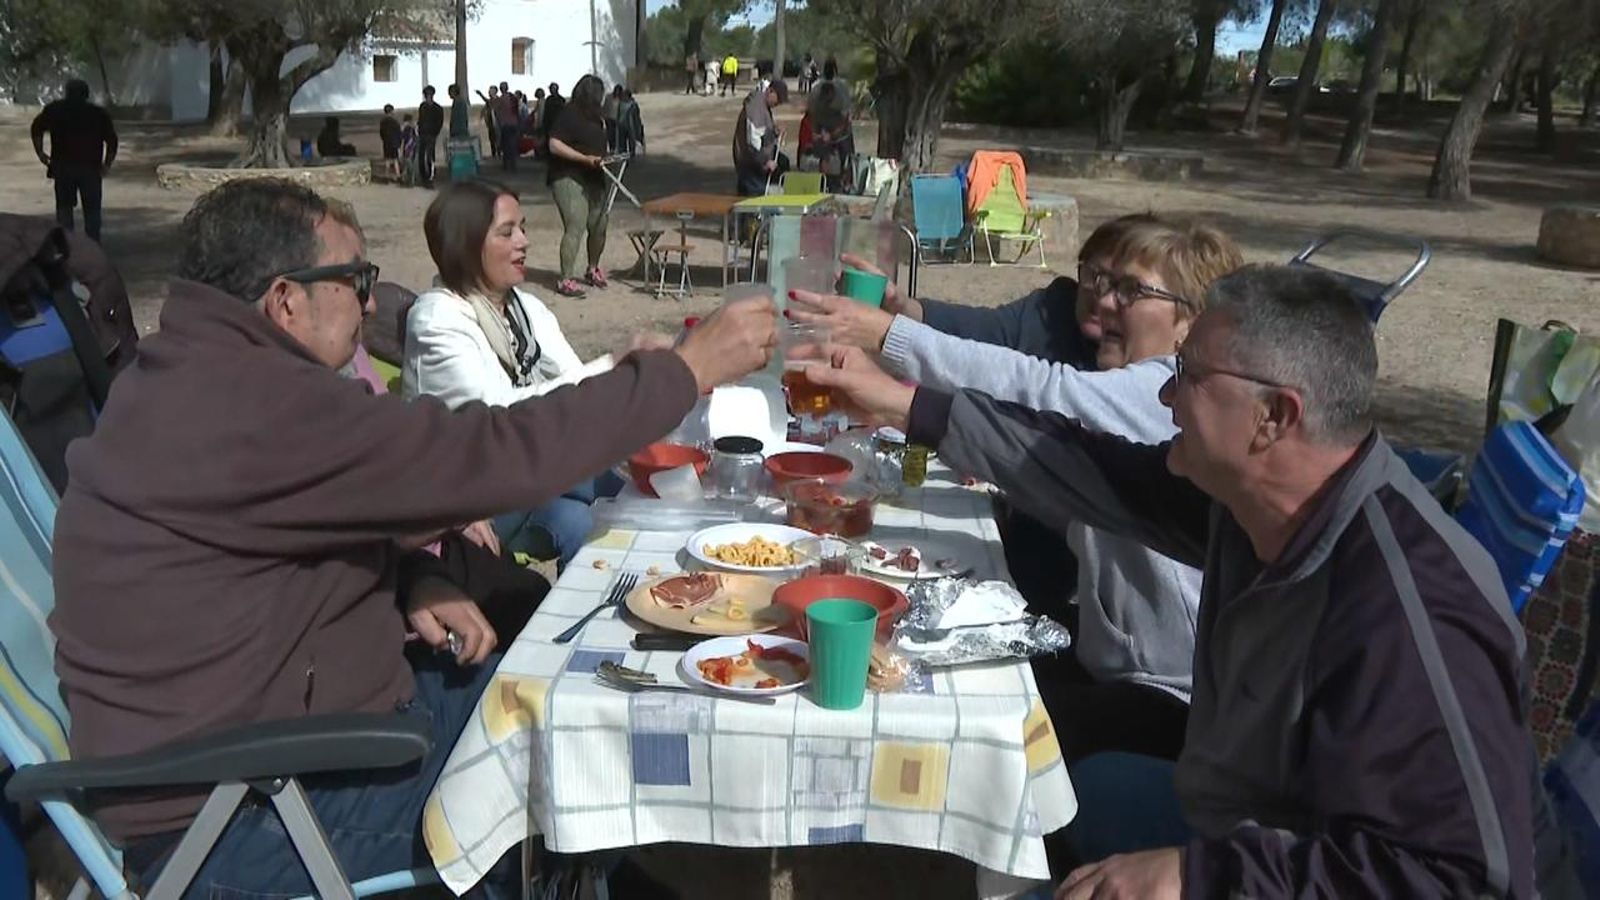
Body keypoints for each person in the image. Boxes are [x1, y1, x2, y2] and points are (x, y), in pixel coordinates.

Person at [47, 177, 778, 895]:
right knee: (560, 756)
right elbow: (489, 452)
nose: (371, 301)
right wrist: (683, 370)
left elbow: (258, 544)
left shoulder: (193, 374)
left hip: (260, 745)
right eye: (355, 278)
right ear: (286, 299)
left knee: (560, 685)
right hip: (240, 809)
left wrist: (407, 581)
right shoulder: (263, 408)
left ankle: (589, 864)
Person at [803, 265, 1535, 898]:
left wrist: (1197, 877)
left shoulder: (1407, 614)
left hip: (1282, 865)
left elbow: (1456, 880)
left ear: (1274, 417)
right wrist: (907, 405)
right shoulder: (1257, 499)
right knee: (1064, 782)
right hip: (1239, 819)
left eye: (1187, 378)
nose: (1164, 399)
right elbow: (1088, 469)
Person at [791, 217, 1243, 765]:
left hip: (1171, 696)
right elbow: (1062, 482)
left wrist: (889, 339)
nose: (1105, 302)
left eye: (1132, 291)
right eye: (1103, 282)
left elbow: (1041, 390)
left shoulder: (1157, 392)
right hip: (1116, 662)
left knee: (990, 731)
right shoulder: (1143, 386)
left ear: (1188, 325)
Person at [403, 180, 665, 565]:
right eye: (507, 232)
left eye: (522, 228)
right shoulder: (436, 319)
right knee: (610, 487)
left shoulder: (523, 307)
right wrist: (614, 364)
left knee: (602, 508)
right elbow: (499, 418)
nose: (524, 241)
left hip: (530, 477)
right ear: (467, 243)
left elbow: (577, 383)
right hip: (473, 499)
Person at [545, 75, 612, 298]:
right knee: (576, 224)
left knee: (600, 224)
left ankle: (593, 269)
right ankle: (565, 279)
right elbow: (554, 145)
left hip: (595, 177)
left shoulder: (598, 117)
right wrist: (583, 158)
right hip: (568, 176)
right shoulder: (569, 114)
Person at [30, 79, 117, 242]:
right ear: (87, 94)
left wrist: (40, 153)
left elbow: (36, 129)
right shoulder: (98, 113)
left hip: (63, 168)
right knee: (92, 212)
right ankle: (92, 247)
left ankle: (67, 247)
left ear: (66, 92)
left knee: (64, 210)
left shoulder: (54, 110)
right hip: (90, 168)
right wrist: (107, 164)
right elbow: (112, 141)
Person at [732, 78, 790, 197]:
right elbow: (753, 141)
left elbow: (762, 133)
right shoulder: (756, 108)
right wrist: (765, 161)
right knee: (754, 201)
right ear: (771, 92)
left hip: (754, 161)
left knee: (783, 162)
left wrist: (774, 131)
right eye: (778, 100)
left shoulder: (763, 105)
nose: (778, 104)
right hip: (750, 163)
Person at [418, 85, 444, 186]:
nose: (428, 97)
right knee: (421, 155)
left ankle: (430, 175)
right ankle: (423, 174)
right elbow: (420, 119)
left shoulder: (437, 108)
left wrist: (435, 132)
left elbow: (439, 122)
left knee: (430, 155)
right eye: (426, 95)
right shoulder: (422, 106)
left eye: (429, 95)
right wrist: (419, 130)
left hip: (431, 134)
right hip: (423, 133)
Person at [496, 81, 520, 171]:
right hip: (514, 123)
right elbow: (517, 111)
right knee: (512, 145)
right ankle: (513, 164)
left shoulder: (501, 99)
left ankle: (506, 165)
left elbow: (497, 111)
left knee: (506, 145)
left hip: (505, 125)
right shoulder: (512, 97)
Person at [614, 88, 645, 155]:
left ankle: (632, 154)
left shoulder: (633, 104)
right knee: (622, 142)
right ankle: (623, 154)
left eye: (624, 95)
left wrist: (638, 127)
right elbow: (618, 113)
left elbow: (636, 116)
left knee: (631, 141)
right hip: (622, 125)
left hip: (631, 126)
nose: (623, 96)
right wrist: (617, 122)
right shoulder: (621, 103)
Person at [541, 82, 567, 155]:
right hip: (551, 124)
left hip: (555, 124)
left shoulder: (559, 100)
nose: (551, 90)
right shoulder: (559, 100)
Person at [477, 85, 501, 158]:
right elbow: (485, 109)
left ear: (495, 92)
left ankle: (498, 153)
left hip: (497, 122)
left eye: (490, 90)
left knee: (498, 138)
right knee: (492, 138)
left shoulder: (497, 100)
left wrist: (480, 95)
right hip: (491, 123)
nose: (489, 92)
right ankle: (494, 153)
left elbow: (488, 102)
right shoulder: (490, 101)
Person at [379, 104, 402, 178]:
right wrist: (399, 143)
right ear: (391, 111)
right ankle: (398, 175)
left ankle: (386, 175)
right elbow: (399, 133)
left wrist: (384, 140)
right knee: (395, 160)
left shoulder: (383, 122)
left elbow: (381, 133)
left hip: (386, 142)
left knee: (387, 160)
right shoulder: (395, 122)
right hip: (394, 143)